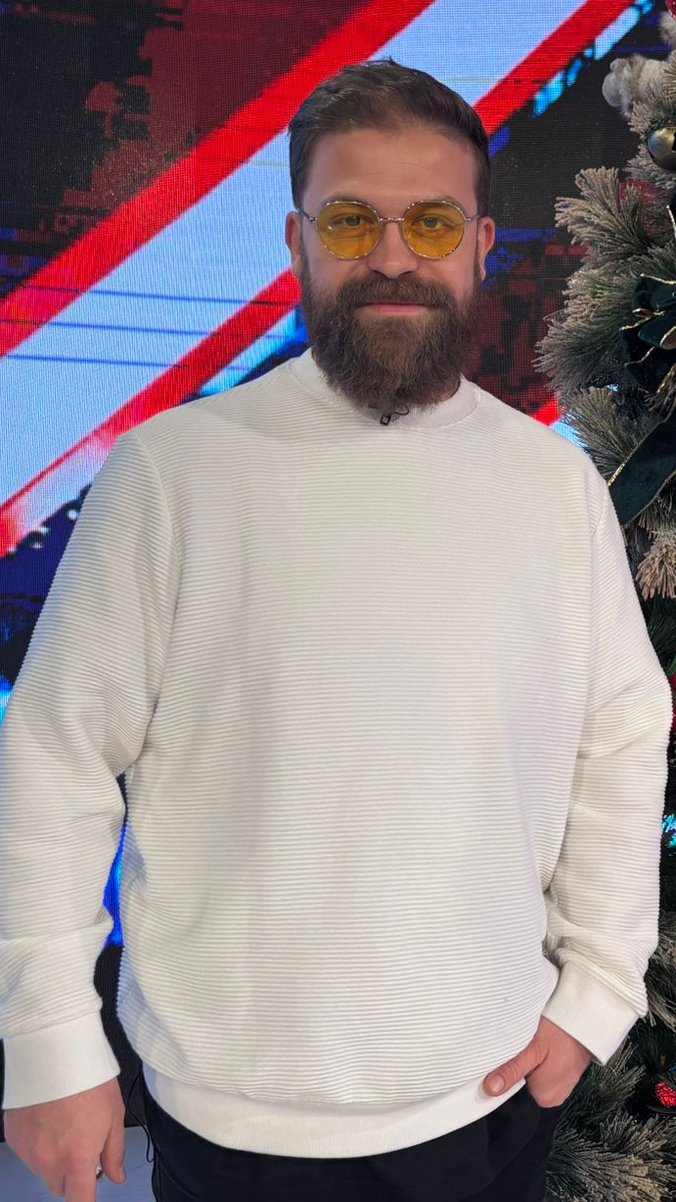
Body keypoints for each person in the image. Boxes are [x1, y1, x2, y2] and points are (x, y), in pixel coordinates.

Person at [0, 56, 672, 1202]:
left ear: (478, 244)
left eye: (431, 221)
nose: (393, 256)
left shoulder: (551, 490)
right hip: (231, 1119)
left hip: (488, 1100)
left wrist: (599, 989)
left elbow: (616, 739)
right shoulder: (173, 473)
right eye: (352, 220)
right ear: (297, 242)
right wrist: (50, 1041)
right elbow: (56, 760)